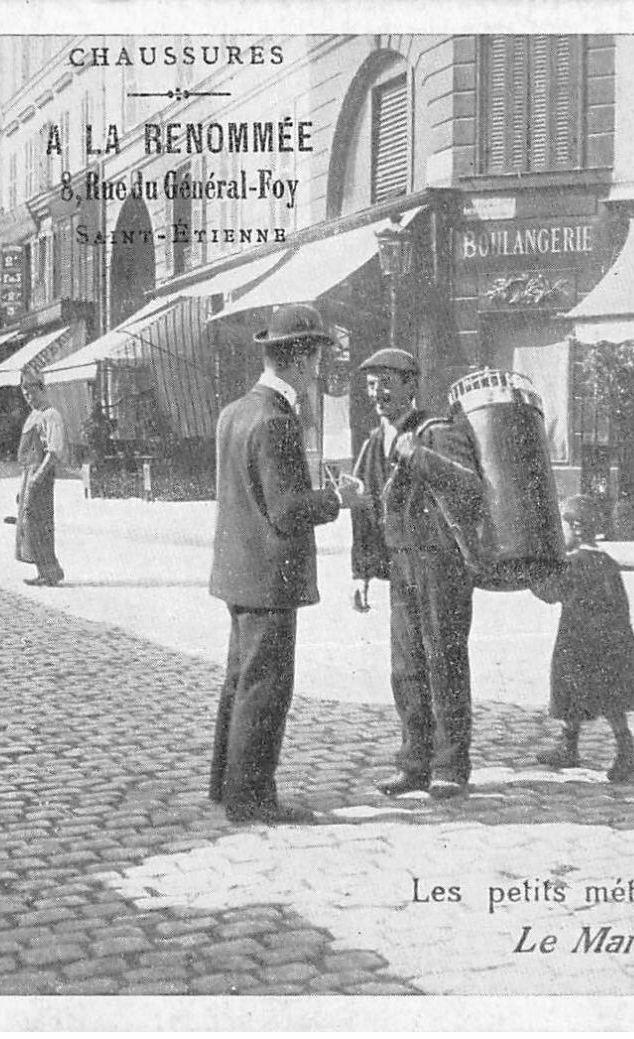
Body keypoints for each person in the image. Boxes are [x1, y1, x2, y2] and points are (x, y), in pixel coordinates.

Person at [209, 303, 365, 825]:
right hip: (270, 575)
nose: (320, 367)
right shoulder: (276, 421)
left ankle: (225, 784)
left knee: (239, 679)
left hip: (237, 571)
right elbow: (287, 510)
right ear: (299, 358)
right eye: (318, 355)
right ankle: (252, 797)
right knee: (266, 685)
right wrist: (339, 501)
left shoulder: (235, 412)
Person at [348, 348, 487, 800]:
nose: (379, 394)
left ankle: (450, 765)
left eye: (387, 383)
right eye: (372, 385)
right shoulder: (374, 441)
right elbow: (366, 507)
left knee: (443, 662)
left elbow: (471, 486)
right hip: (400, 564)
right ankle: (414, 763)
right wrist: (362, 572)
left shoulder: (438, 432)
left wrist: (417, 456)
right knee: (406, 667)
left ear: (412, 385)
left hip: (442, 563)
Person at [529, 495, 634, 782]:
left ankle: (622, 754)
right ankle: (584, 747)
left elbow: (549, 592)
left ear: (576, 528)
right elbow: (621, 603)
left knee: (578, 691)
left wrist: (531, 572)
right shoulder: (607, 562)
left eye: (563, 528)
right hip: (611, 641)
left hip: (580, 643)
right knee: (608, 699)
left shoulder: (573, 563)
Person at [16, 373, 66, 587]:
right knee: (29, 524)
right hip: (29, 474)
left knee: (41, 523)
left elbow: (53, 451)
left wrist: (37, 476)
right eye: (25, 393)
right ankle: (42, 570)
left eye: (32, 392)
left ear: (42, 390)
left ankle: (51, 571)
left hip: (40, 475)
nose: (29, 397)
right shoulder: (34, 416)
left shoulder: (50, 415)